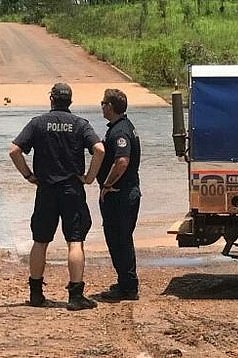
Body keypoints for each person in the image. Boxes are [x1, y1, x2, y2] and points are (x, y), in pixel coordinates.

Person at [9, 83, 105, 310]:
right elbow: (99, 149)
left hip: (46, 190)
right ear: (70, 101)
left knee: (40, 241)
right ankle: (75, 296)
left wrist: (28, 175)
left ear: (52, 99)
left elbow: (14, 150)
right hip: (72, 190)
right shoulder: (80, 124)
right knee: (75, 241)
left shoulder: (38, 123)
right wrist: (90, 177)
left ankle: (35, 294)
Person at [96, 88, 141, 301]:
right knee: (121, 239)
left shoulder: (120, 132)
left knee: (119, 239)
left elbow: (122, 161)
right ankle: (126, 282)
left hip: (120, 195)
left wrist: (106, 185)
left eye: (103, 102)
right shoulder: (123, 127)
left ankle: (128, 287)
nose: (101, 106)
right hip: (126, 193)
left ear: (111, 107)